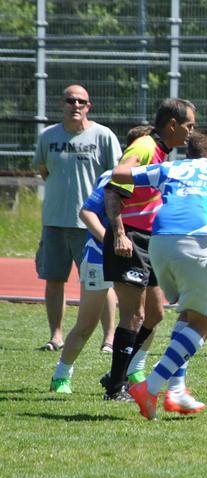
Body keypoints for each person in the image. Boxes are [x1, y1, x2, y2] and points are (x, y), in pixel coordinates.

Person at [116, 128, 207, 420]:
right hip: (195, 241)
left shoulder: (169, 167)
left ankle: (176, 391)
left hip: (159, 243)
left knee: (189, 313)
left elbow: (120, 174)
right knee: (205, 322)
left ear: (189, 152)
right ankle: (151, 386)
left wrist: (135, 155)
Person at [101, 98, 196, 401]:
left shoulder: (163, 152)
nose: (191, 132)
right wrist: (119, 234)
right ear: (172, 125)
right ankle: (116, 388)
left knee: (154, 314)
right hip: (129, 237)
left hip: (150, 240)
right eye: (189, 125)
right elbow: (113, 187)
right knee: (134, 314)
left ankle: (116, 373)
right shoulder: (144, 146)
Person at [33, 84, 121, 352]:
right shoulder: (48, 136)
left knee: (101, 282)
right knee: (54, 280)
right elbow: (44, 170)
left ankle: (109, 339)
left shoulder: (103, 135)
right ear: (62, 104)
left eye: (81, 101)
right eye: (71, 100)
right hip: (54, 222)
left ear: (88, 106)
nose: (76, 105)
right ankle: (56, 336)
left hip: (91, 225)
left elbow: (116, 177)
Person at [49, 170, 115, 393]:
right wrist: (110, 241)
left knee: (142, 316)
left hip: (136, 256)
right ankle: (61, 375)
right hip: (100, 255)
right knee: (87, 323)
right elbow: (86, 212)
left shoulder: (158, 174)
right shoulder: (113, 177)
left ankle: (132, 373)